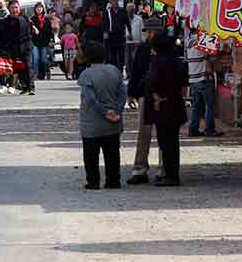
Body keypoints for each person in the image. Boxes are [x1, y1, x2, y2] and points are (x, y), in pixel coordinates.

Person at [78, 41, 126, 190]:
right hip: (113, 123)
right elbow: (123, 93)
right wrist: (116, 111)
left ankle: (93, 181)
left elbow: (91, 99)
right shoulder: (114, 70)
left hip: (92, 123)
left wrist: (104, 113)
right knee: (112, 153)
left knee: (91, 155)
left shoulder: (86, 75)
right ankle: (113, 180)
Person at [146, 33, 188, 186]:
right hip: (175, 103)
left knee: (165, 142)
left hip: (162, 105)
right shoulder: (176, 61)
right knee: (173, 142)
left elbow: (152, 81)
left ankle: (170, 175)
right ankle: (172, 174)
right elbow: (184, 81)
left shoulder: (157, 62)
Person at [126, 15, 163, 185]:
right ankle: (140, 168)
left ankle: (164, 169)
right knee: (144, 133)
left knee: (164, 133)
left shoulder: (168, 48)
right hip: (145, 94)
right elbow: (135, 72)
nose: (149, 34)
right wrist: (131, 93)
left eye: (150, 31)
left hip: (164, 96)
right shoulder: (142, 49)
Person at [186, 30, 223, 138]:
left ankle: (193, 129)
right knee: (209, 105)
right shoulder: (202, 40)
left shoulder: (188, 41)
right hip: (204, 77)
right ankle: (209, 130)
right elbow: (212, 57)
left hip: (193, 79)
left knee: (196, 106)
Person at [102, 0, 128, 72]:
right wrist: (105, 32)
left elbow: (127, 22)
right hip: (111, 36)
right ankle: (113, 71)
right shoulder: (107, 12)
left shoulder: (122, 11)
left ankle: (120, 70)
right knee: (112, 55)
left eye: (116, 0)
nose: (114, 2)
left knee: (121, 55)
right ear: (110, 1)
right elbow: (104, 23)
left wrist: (129, 32)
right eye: (112, 0)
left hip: (120, 35)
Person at [31, 2, 52, 80]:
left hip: (44, 43)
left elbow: (50, 31)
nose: (39, 9)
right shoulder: (32, 19)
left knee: (44, 60)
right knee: (35, 59)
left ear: (43, 9)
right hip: (35, 42)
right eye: (37, 7)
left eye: (40, 7)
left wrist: (51, 40)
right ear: (35, 9)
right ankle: (35, 74)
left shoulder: (46, 19)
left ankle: (46, 72)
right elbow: (29, 31)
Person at [125, 3, 144, 80]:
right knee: (127, 60)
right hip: (126, 42)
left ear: (134, 10)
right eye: (129, 9)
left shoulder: (139, 19)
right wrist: (126, 35)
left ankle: (135, 75)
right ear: (127, 10)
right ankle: (129, 74)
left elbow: (143, 31)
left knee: (135, 60)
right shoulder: (124, 18)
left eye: (132, 9)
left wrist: (141, 41)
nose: (130, 11)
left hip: (137, 43)